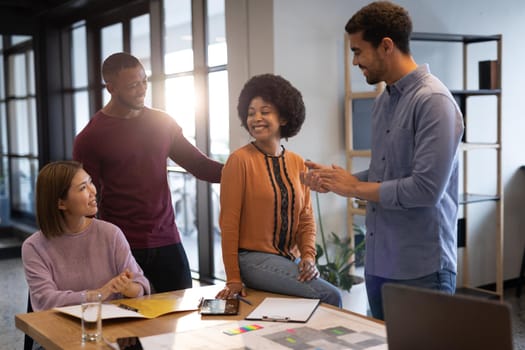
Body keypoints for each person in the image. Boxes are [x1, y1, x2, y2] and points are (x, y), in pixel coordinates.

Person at [301, 1, 464, 320]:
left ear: (386, 45)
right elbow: (384, 173)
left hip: (421, 271)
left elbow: (425, 190)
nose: (354, 61)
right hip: (379, 265)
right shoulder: (383, 102)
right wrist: (338, 182)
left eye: (358, 51)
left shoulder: (433, 102)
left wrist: (354, 188)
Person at [73, 52, 223, 293]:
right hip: (121, 245)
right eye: (133, 85)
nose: (142, 89)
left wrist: (252, 170)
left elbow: (200, 165)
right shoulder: (90, 138)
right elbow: (87, 200)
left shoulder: (162, 123)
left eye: (144, 81)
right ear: (111, 88)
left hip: (167, 240)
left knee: (177, 315)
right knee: (128, 325)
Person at [215, 74, 342, 307]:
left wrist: (308, 257)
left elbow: (306, 219)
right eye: (251, 112)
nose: (256, 118)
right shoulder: (238, 161)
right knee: (331, 296)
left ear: (283, 117)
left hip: (287, 260)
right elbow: (229, 224)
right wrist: (233, 279)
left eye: (265, 111)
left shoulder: (297, 162)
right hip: (250, 260)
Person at [22, 161, 150, 312]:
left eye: (91, 182)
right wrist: (98, 294)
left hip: (111, 328)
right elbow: (45, 301)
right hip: (60, 330)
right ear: (61, 203)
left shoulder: (111, 234)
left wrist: (128, 288)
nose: (93, 191)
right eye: (83, 188)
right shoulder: (34, 247)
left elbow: (140, 285)